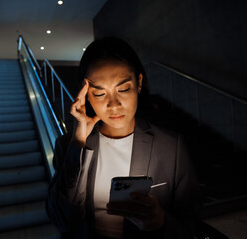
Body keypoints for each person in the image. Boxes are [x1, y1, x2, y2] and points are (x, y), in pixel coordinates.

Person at [47, 37, 201, 239]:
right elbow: (62, 220)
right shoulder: (69, 145)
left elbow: (191, 225)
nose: (113, 104)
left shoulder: (171, 147)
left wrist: (161, 221)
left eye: (123, 89)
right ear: (86, 95)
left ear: (138, 83)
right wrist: (78, 143)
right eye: (100, 93)